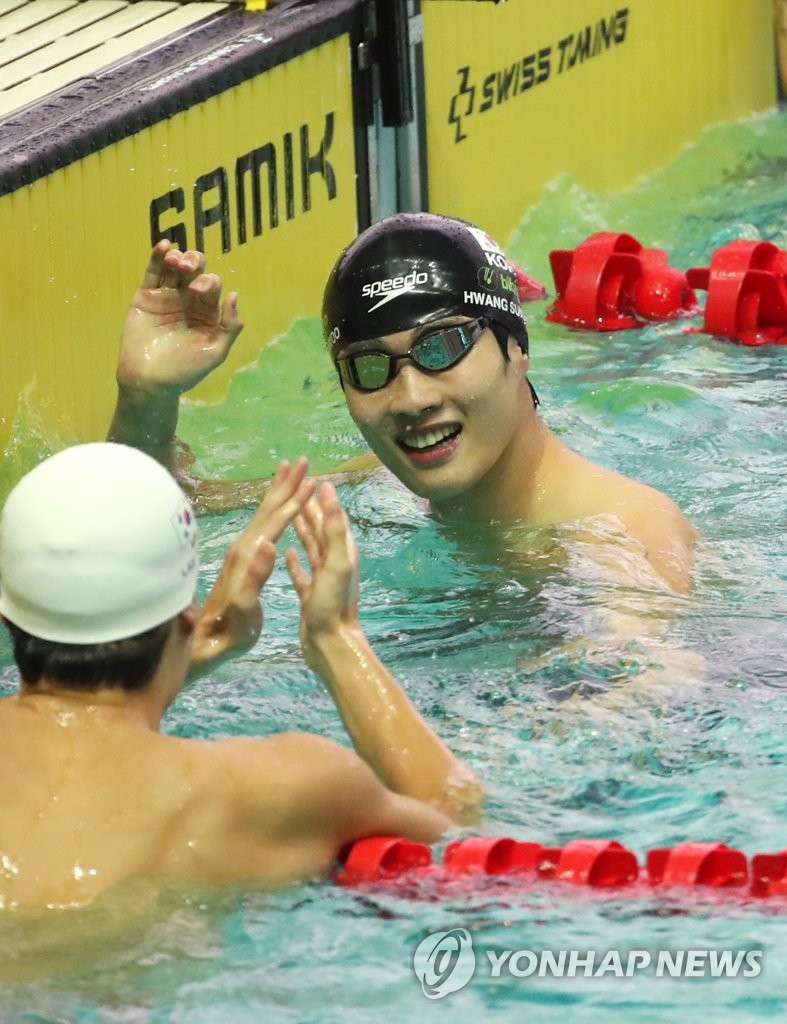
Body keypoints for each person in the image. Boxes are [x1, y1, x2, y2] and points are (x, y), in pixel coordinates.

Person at [0, 442, 483, 909]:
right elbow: (457, 822)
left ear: (7, 620)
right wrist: (337, 639)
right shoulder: (280, 786)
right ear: (184, 617)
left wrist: (200, 646)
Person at [108, 215, 698, 593]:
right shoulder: (383, 488)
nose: (411, 400)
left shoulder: (621, 536)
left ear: (516, 346)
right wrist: (148, 394)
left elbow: (636, 708)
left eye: (441, 347)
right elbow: (159, 513)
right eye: (369, 367)